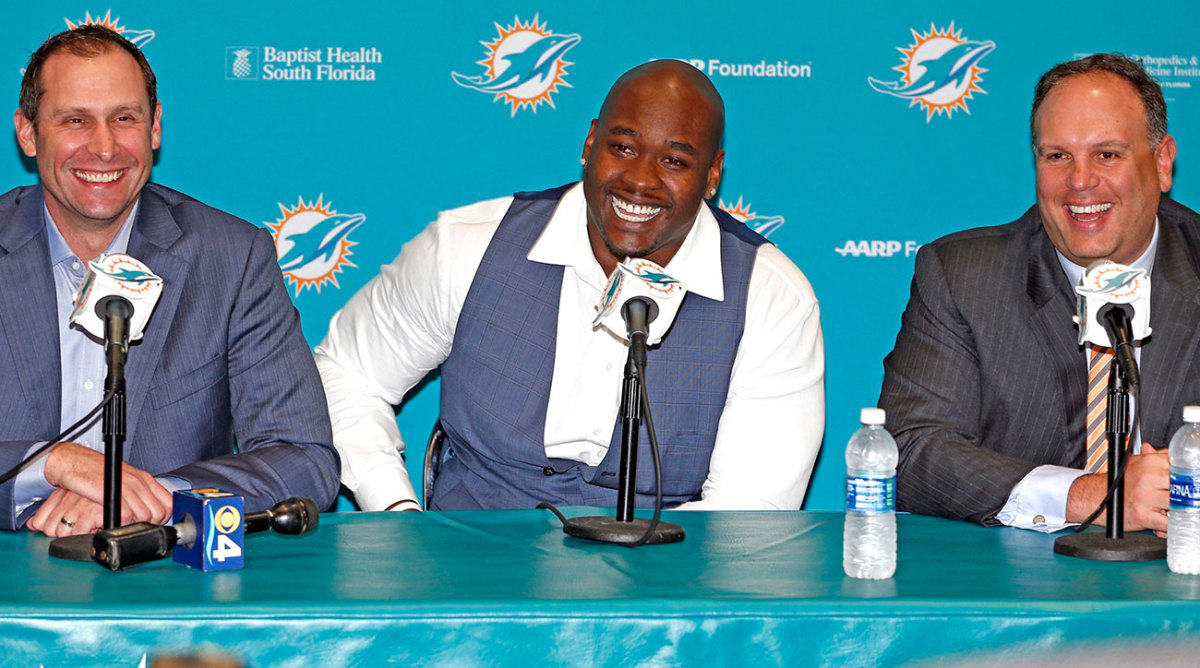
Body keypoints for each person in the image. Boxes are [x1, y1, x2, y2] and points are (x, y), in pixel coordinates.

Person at [317, 60, 824, 512]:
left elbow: (750, 509)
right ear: (589, 144)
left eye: (674, 160)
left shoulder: (771, 297)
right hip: (469, 572)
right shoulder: (467, 246)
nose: (640, 180)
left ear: (712, 175)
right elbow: (345, 374)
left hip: (661, 586)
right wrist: (395, 511)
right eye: (622, 148)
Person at [0, 25, 340, 537]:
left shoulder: (231, 258)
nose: (105, 147)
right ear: (28, 132)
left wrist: (148, 498)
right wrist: (49, 464)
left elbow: (303, 458)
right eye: (75, 120)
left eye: (124, 118)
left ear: (154, 127)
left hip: (165, 576)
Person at [879, 53, 1193, 534]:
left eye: (1107, 154)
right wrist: (1093, 496)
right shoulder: (964, 276)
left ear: (1162, 162)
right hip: (1014, 589)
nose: (1080, 181)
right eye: (1057, 156)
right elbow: (912, 451)